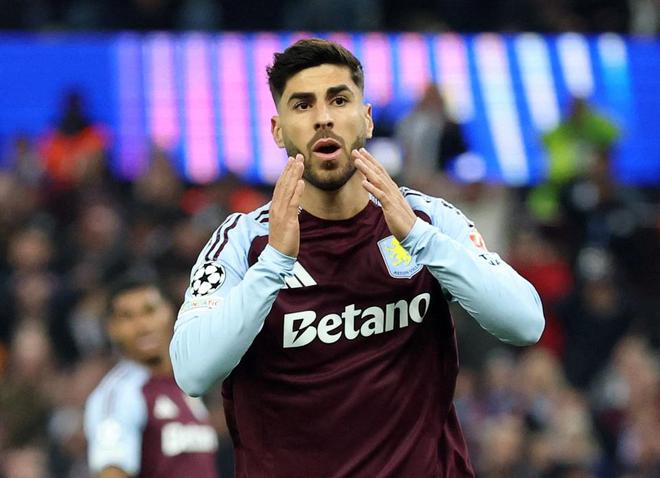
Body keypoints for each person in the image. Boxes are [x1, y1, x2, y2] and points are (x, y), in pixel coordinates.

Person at [170, 38, 545, 477]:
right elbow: (192, 372)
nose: (323, 117)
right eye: (303, 105)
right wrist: (274, 263)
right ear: (278, 130)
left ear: (366, 119)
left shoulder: (426, 219)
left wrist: (420, 239)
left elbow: (525, 323)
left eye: (339, 100)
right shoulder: (245, 240)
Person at [84, 273, 219, 478]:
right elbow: (112, 471)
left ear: (171, 313)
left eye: (150, 311)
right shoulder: (120, 393)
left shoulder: (185, 384)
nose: (142, 326)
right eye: (127, 317)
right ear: (112, 329)